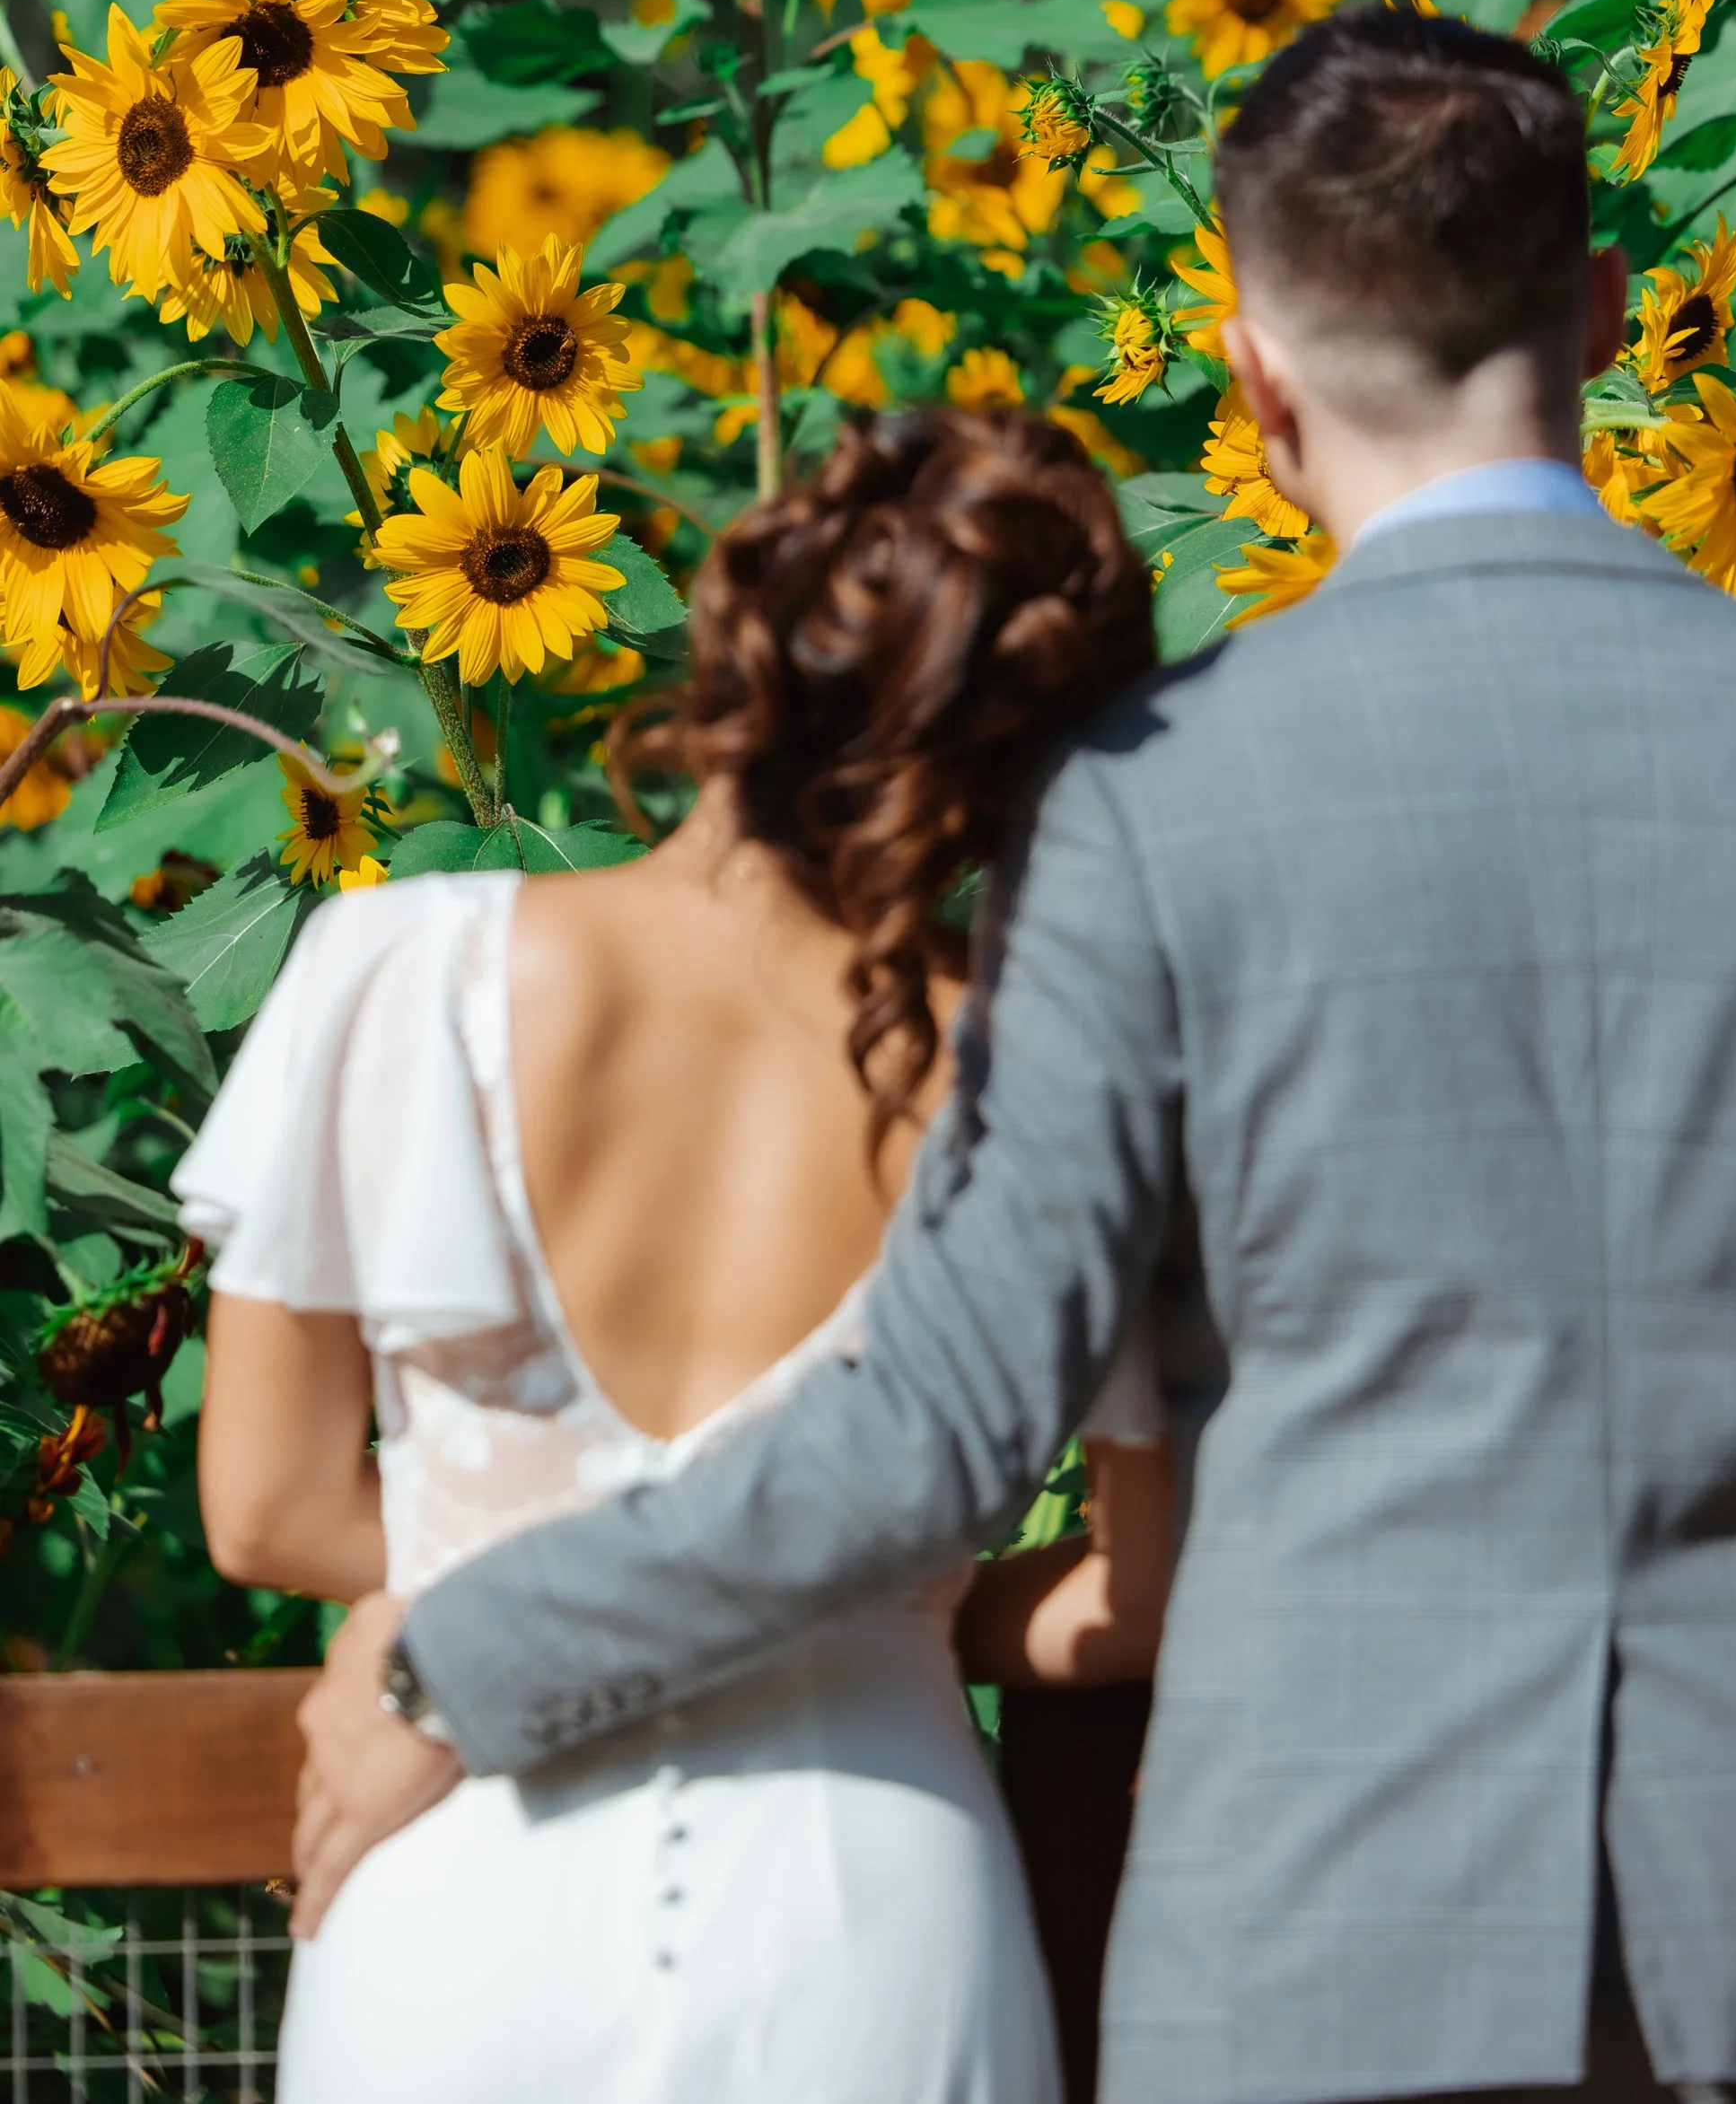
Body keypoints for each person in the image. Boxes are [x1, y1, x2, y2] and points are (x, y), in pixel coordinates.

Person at [291, 4, 1736, 2104]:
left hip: (1321, 1948)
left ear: (1254, 381)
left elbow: (935, 1428)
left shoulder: (1147, 802)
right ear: (1611, 313)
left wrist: (467, 1658)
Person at [180, 404, 1172, 2104]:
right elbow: (1140, 1592)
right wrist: (893, 1602)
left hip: (458, 1880)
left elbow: (264, 1509)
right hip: (870, 1913)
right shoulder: (1041, 1069)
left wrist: (461, 1598)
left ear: (737, 640)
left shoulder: (396, 965)